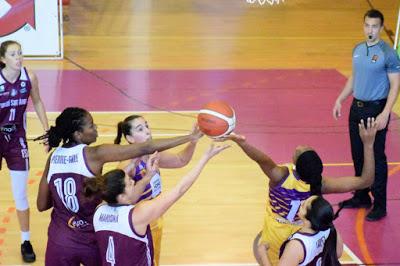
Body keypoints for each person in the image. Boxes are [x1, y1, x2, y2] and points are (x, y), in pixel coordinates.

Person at [36, 107, 203, 266]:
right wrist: (190, 137)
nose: (95, 127)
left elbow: (42, 205)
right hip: (93, 238)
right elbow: (146, 147)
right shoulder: (94, 154)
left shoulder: (53, 158)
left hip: (60, 239)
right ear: (78, 134)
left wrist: (65, 202)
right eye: (91, 125)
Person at [221, 117, 377, 265]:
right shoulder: (321, 184)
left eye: (300, 151)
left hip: (275, 236)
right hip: (303, 236)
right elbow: (366, 181)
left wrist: (241, 143)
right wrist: (368, 145)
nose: (301, 147)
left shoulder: (281, 176)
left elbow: (262, 159)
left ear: (296, 163)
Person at [90, 143, 229, 265]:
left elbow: (109, 186)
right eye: (130, 182)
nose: (134, 181)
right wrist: (205, 158)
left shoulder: (99, 211)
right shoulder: (138, 215)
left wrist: (147, 175)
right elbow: (180, 189)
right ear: (121, 196)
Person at [332, 9, 400, 221]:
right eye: (367, 25)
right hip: (356, 108)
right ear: (364, 26)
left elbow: (395, 84)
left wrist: (385, 113)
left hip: (375, 110)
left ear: (380, 28)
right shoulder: (358, 49)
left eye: (374, 26)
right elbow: (354, 77)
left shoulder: (388, 53)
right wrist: (340, 99)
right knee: (358, 155)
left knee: (377, 158)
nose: (370, 30)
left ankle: (380, 205)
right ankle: (362, 196)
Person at [114, 114, 199, 265]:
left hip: (155, 220)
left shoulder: (152, 154)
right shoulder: (127, 164)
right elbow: (119, 199)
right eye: (140, 129)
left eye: (147, 126)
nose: (147, 131)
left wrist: (193, 141)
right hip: (140, 225)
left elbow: (181, 160)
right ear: (130, 138)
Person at [0, 40, 49, 262]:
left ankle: (25, 240)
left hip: (17, 140)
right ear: (3, 59)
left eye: (20, 53)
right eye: (13, 54)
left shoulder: (29, 77)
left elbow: (37, 102)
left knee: (20, 194)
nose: (18, 58)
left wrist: (48, 131)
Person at [257, 195, 342, 266]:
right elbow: (337, 254)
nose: (301, 202)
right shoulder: (330, 228)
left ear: (309, 220)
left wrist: (262, 253)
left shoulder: (296, 246)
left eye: (304, 204)